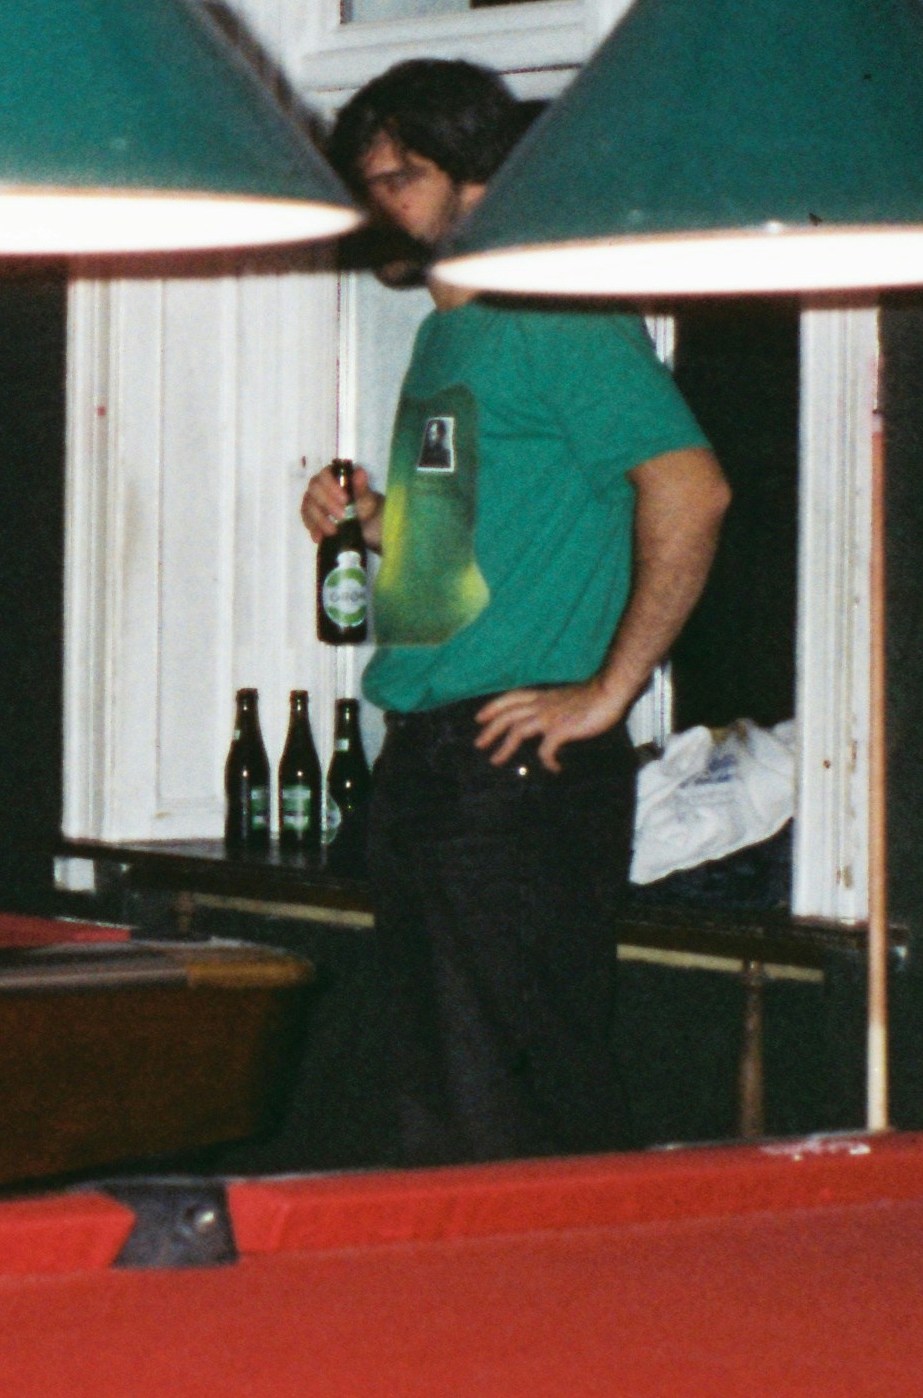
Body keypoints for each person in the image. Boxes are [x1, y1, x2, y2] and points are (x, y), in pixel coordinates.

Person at [296, 59, 728, 1162]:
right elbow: (464, 555)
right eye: (369, 175)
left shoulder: (553, 315)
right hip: (431, 764)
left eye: (401, 172)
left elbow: (690, 486)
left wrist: (607, 692)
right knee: (450, 1102)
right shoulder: (452, 334)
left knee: (505, 1113)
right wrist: (382, 519)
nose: (375, 196)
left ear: (482, 184)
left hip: (511, 774)